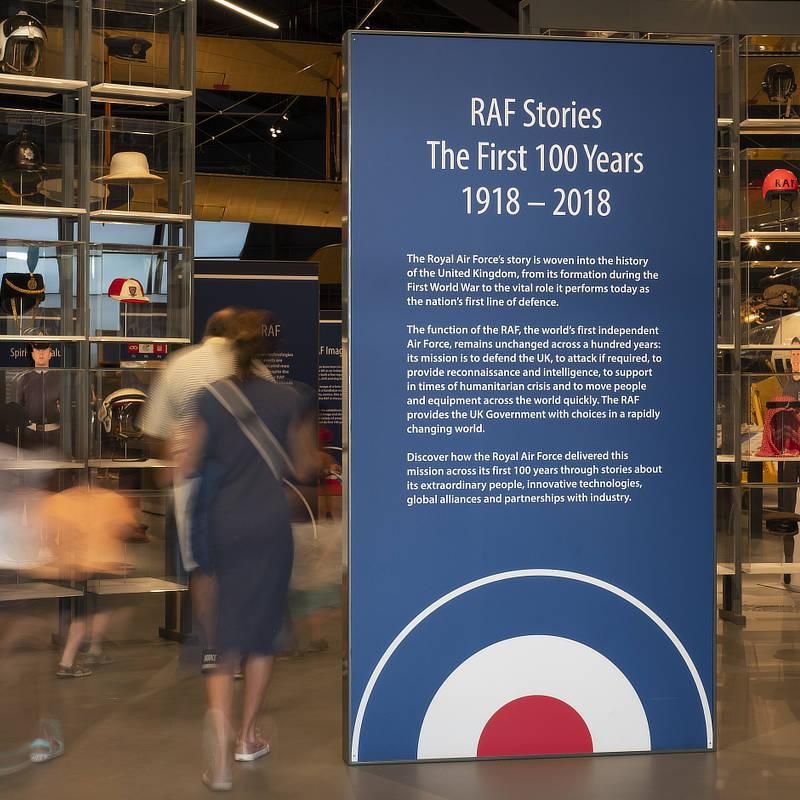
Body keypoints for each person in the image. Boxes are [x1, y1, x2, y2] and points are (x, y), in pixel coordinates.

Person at [181, 310, 318, 792]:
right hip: (268, 526)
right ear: (265, 351)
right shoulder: (289, 399)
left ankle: (218, 735)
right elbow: (304, 467)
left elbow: (184, 465)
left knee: (220, 633)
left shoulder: (209, 399)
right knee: (263, 632)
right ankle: (246, 736)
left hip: (221, 525)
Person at [141, 308, 271, 671]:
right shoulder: (257, 370)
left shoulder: (180, 365)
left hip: (193, 481)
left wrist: (173, 462)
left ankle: (214, 651)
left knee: (204, 569)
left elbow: (153, 432)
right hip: (248, 481)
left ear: (207, 330)